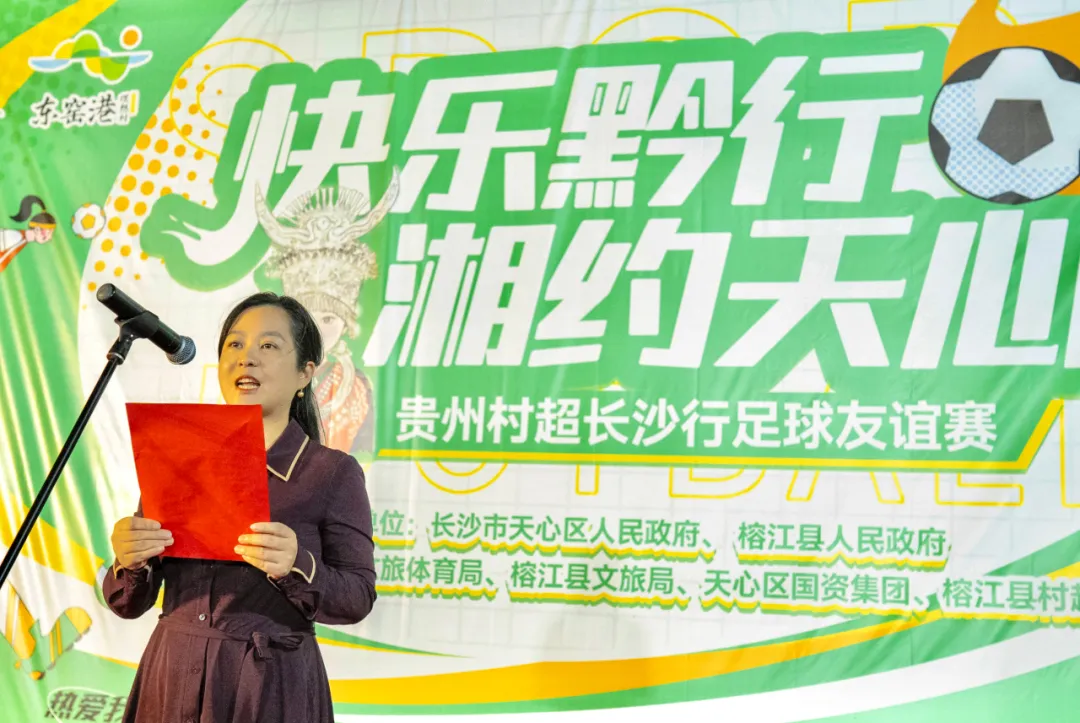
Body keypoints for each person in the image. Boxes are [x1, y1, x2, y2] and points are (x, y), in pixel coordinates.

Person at [102, 292, 377, 722]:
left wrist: (297, 565)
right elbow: (126, 603)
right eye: (235, 344)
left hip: (269, 687)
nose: (247, 358)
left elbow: (357, 597)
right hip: (171, 676)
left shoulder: (331, 473)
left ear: (305, 373)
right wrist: (130, 561)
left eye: (268, 345)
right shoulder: (180, 457)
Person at [0, 195, 56, 272]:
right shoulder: (16, 236)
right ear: (37, 229)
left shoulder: (22, 240)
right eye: (48, 232)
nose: (50, 237)